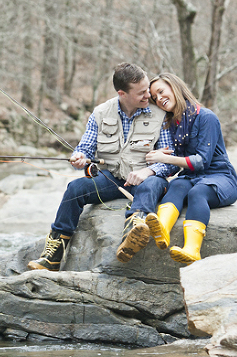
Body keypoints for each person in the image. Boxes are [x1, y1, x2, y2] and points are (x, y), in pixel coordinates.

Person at [28, 63, 177, 271]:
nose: (148, 96)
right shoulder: (100, 113)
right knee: (74, 190)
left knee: (151, 185)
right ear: (122, 93)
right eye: (141, 93)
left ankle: (134, 231)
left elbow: (171, 160)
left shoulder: (160, 115)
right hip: (112, 180)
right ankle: (53, 255)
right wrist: (79, 157)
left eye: (148, 90)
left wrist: (148, 171)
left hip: (149, 178)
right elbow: (85, 149)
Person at [144, 72, 237, 265]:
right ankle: (161, 228)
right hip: (191, 177)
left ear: (175, 87)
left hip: (220, 177)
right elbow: (172, 163)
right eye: (155, 98)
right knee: (176, 185)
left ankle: (192, 250)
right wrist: (156, 157)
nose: (159, 99)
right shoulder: (171, 124)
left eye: (161, 91)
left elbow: (201, 161)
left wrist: (165, 158)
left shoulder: (206, 117)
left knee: (197, 193)